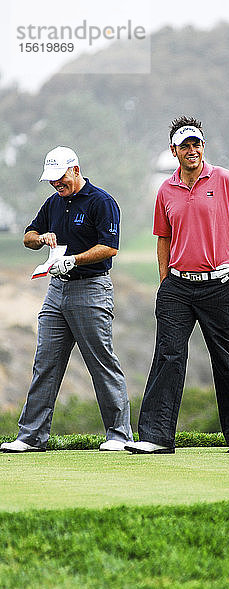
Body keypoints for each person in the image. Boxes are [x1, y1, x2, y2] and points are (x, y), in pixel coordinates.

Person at [125, 116, 229, 455]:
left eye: (197, 144)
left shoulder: (223, 179)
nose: (192, 150)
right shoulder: (166, 190)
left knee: (227, 357)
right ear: (174, 151)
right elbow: (163, 238)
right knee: (168, 357)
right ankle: (156, 437)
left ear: (203, 147)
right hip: (177, 285)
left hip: (219, 283)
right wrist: (164, 282)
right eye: (186, 145)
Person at [1, 146, 133, 453]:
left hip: (91, 288)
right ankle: (31, 437)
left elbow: (109, 247)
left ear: (75, 169)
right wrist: (41, 238)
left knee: (101, 362)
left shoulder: (102, 202)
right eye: (51, 180)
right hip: (56, 290)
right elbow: (27, 236)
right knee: (45, 362)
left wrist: (73, 260)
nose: (56, 184)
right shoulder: (53, 203)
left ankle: (119, 434)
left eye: (60, 178)